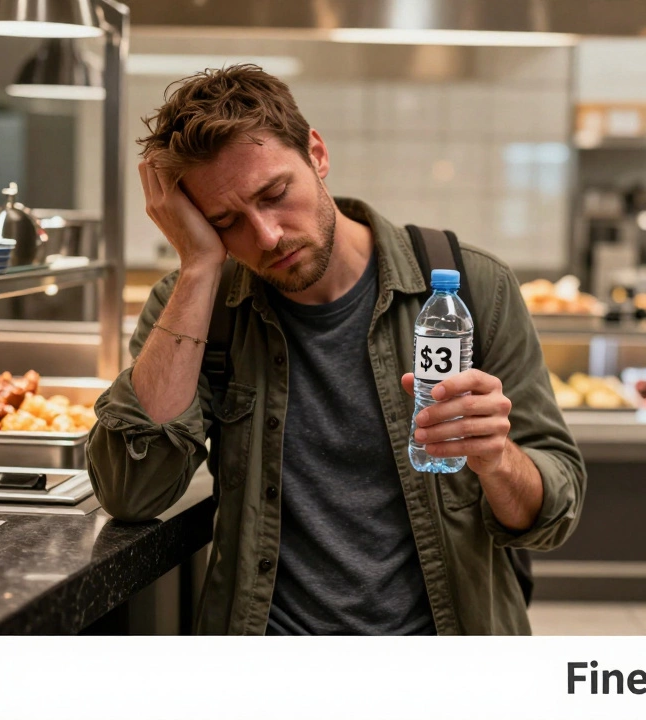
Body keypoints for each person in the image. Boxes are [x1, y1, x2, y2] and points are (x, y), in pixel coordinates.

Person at [86, 65, 586, 634]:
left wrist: (497, 459)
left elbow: (554, 513)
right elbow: (131, 492)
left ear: (316, 154)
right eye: (226, 221)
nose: (267, 235)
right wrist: (200, 265)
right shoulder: (199, 307)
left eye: (275, 194)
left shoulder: (473, 285)